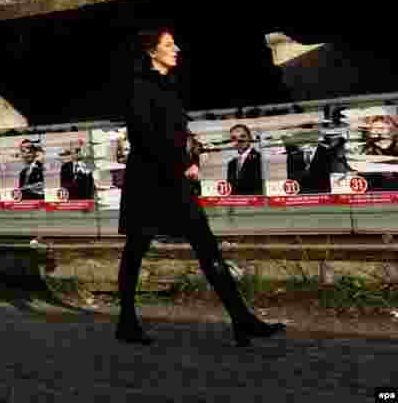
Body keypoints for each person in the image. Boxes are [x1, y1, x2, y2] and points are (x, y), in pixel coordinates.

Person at [116, 28, 285, 347]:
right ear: (152, 52)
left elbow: (173, 131)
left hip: (172, 180)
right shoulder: (139, 87)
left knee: (206, 247)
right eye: (169, 45)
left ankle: (241, 320)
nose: (176, 49)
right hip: (149, 183)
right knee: (136, 250)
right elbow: (144, 137)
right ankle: (126, 321)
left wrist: (190, 147)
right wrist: (182, 163)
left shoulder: (168, 85)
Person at [362, 115, 398, 192]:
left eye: (382, 129)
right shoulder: (367, 153)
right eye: (374, 132)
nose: (378, 135)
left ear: (393, 131)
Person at [226, 124, 264, 196]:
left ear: (250, 137)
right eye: (234, 138)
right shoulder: (231, 163)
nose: (239, 141)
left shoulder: (260, 158)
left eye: (242, 136)